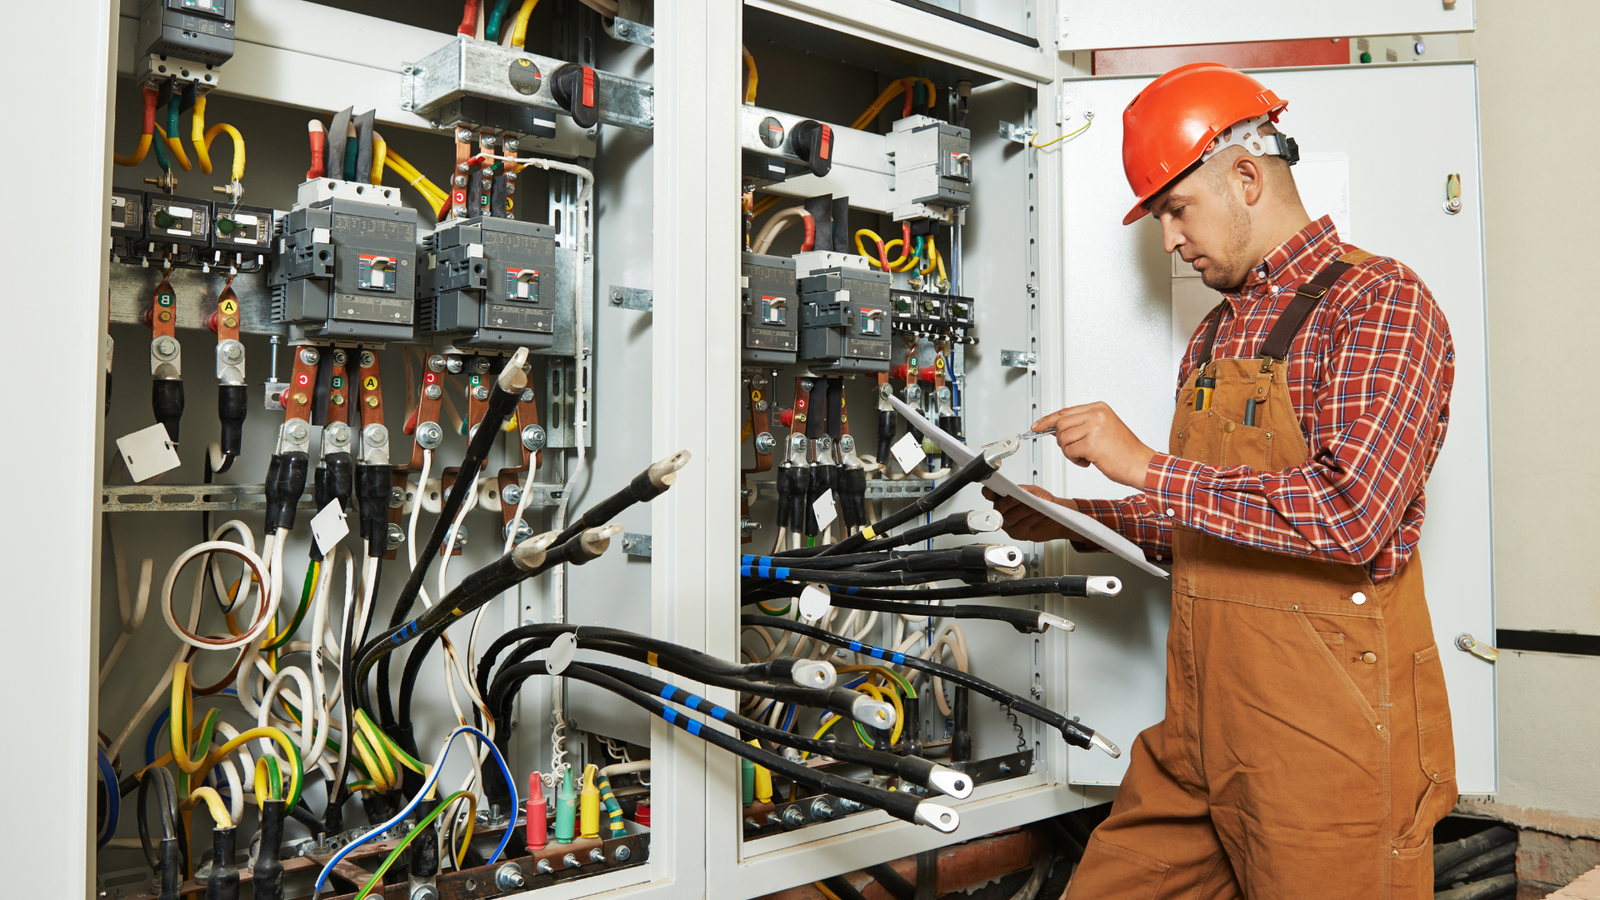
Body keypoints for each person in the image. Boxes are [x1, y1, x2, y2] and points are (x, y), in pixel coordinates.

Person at [989, 63, 1458, 898]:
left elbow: (1352, 516)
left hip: (1329, 752)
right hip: (1200, 736)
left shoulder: (1379, 302)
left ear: (1246, 178)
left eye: (1175, 209)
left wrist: (1143, 465)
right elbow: (1209, 525)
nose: (1169, 239)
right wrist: (1074, 518)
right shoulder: (1212, 338)